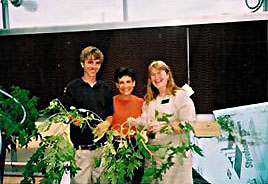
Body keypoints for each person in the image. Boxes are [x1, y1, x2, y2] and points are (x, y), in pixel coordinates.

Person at [62, 46, 113, 184]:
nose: (93, 66)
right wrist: (74, 119)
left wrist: (107, 123)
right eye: (90, 62)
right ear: (82, 64)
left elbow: (110, 114)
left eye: (97, 63)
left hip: (102, 149)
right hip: (82, 151)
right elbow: (67, 113)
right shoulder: (73, 87)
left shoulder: (105, 88)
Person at [140, 60, 196, 184]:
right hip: (153, 159)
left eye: (159, 73)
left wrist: (165, 126)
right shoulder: (149, 101)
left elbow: (188, 124)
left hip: (175, 160)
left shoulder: (180, 96)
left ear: (167, 74)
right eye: (153, 75)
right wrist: (137, 125)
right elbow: (144, 123)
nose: (157, 77)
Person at [110, 66, 144, 184]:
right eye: (121, 82)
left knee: (135, 180)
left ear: (134, 83)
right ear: (117, 85)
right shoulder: (110, 102)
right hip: (115, 147)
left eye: (128, 82)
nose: (125, 86)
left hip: (135, 147)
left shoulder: (141, 102)